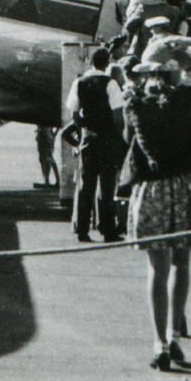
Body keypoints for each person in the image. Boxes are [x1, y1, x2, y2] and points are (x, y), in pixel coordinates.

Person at [123, 37, 191, 369]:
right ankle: (174, 337)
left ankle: (159, 345)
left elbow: (131, 141)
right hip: (188, 188)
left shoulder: (134, 105)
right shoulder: (186, 99)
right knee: (181, 265)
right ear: (173, 75)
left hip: (153, 190)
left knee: (156, 269)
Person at [65, 48, 125, 243]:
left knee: (86, 185)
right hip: (107, 139)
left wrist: (86, 128)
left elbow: (74, 114)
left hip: (88, 139)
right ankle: (108, 230)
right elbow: (117, 115)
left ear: (90, 62)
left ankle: (83, 230)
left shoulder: (79, 82)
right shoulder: (111, 83)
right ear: (107, 63)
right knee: (107, 187)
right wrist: (117, 137)